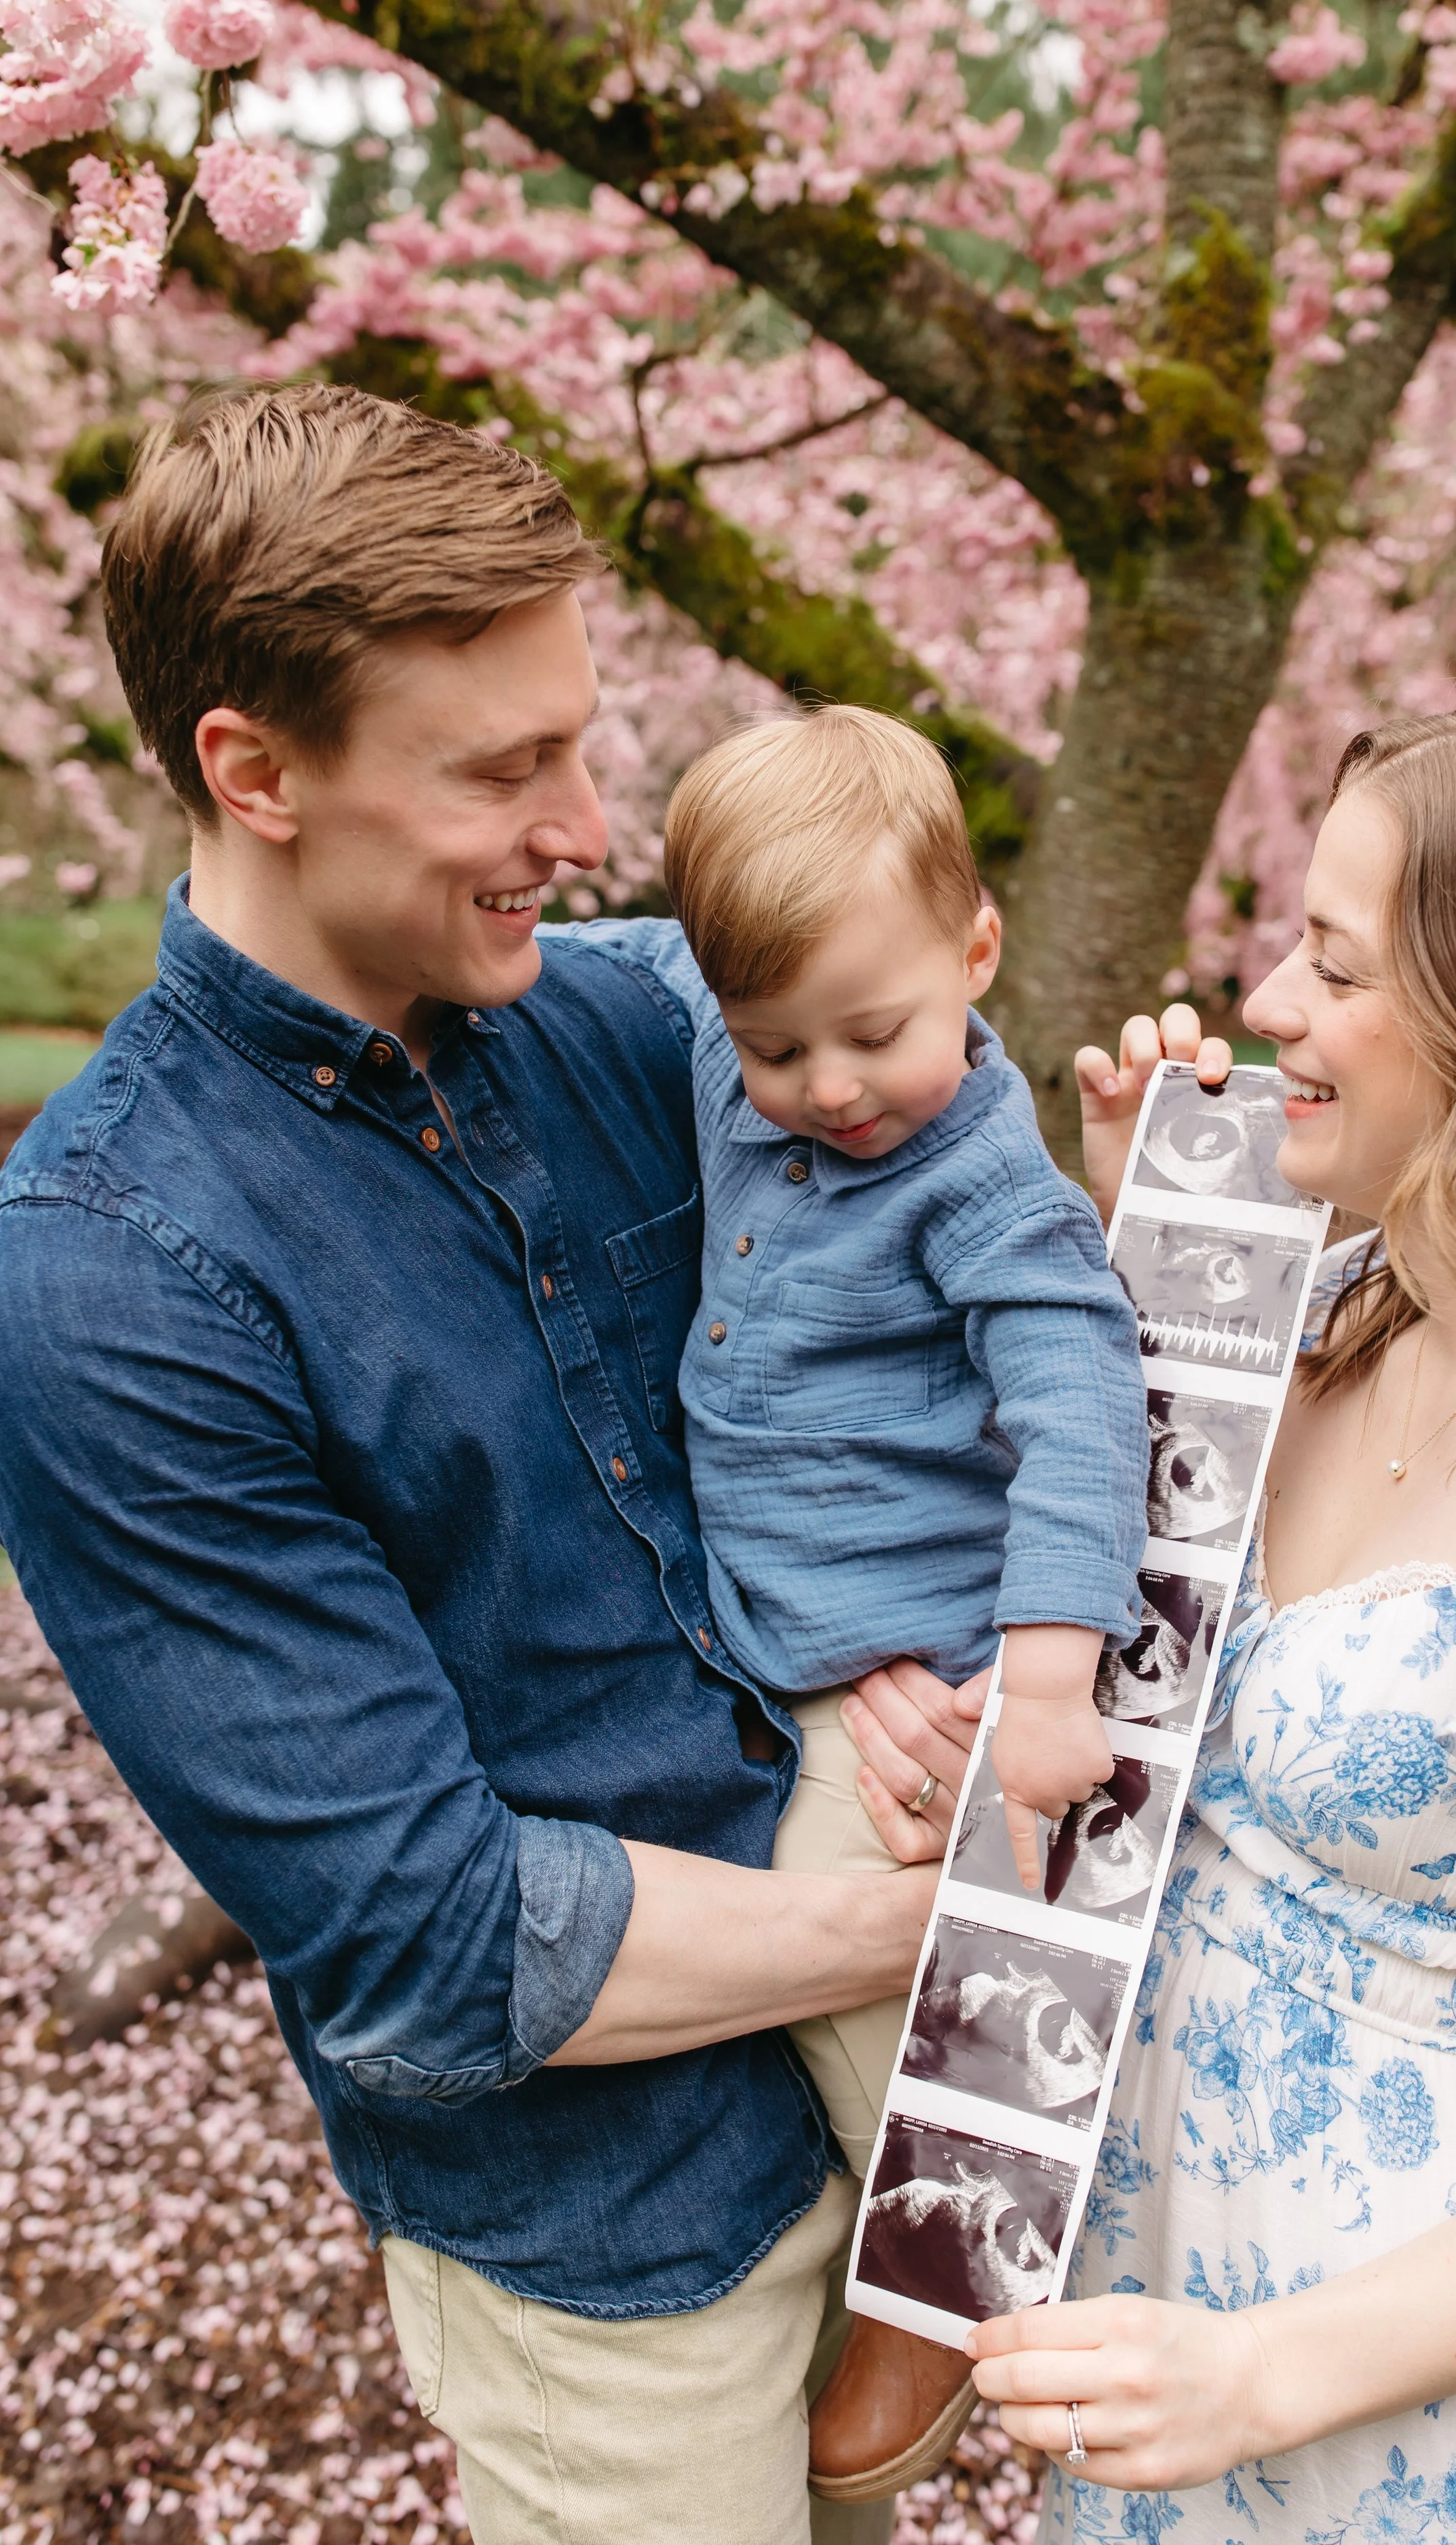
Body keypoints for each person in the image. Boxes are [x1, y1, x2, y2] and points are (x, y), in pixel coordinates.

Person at [0, 381, 978, 2545]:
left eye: (585, 737)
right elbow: (435, 1934)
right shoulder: (118, 1280)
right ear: (254, 771)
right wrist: (930, 1930)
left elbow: (931, 1202)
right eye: (507, 768)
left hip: (870, 2112)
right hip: (608, 2244)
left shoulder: (642, 1022)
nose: (591, 821)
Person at [965, 698, 1456, 2541]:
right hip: (1166, 2328)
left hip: (1436, 2430)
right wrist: (1152, 1287)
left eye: (1335, 963)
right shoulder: (1321, 1309)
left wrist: (1261, 2370)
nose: (1267, 1000)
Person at [572, 706, 1149, 2500]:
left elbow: (1078, 1389)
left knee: (842, 1939)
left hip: (909, 1661)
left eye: (875, 1031)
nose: (829, 1085)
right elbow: (607, 959)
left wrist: (1050, 1673)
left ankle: (943, 2245)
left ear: (976, 954)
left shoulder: (973, 1169)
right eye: (775, 1046)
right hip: (770, 1632)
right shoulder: (716, 1014)